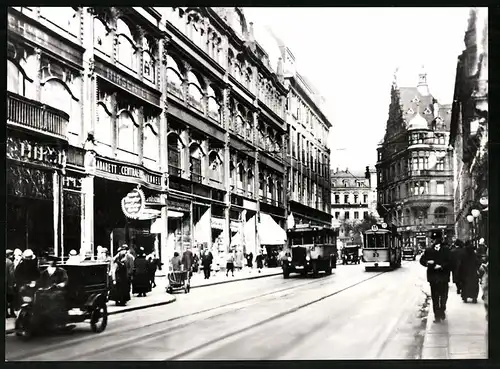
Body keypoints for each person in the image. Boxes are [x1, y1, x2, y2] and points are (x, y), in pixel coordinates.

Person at [419, 231, 451, 322]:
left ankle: (442, 310)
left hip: (443, 277)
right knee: (435, 297)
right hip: (433, 278)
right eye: (433, 240)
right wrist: (427, 263)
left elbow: (450, 262)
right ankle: (437, 315)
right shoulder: (428, 250)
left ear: (441, 239)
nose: (435, 241)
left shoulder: (446, 250)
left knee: (444, 296)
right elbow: (422, 260)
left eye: (436, 239)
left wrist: (441, 266)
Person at [36, 257, 69, 329]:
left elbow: (65, 280)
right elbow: (40, 281)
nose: (52, 262)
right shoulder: (44, 272)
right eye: (50, 260)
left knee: (55, 297)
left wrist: (61, 285)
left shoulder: (61, 271)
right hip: (46, 290)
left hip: (57, 290)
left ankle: (60, 320)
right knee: (38, 297)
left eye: (53, 261)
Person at [6, 250, 16, 318]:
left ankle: (6, 313)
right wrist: (12, 284)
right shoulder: (10, 262)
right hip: (8, 283)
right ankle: (12, 312)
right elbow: (11, 274)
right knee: (11, 298)